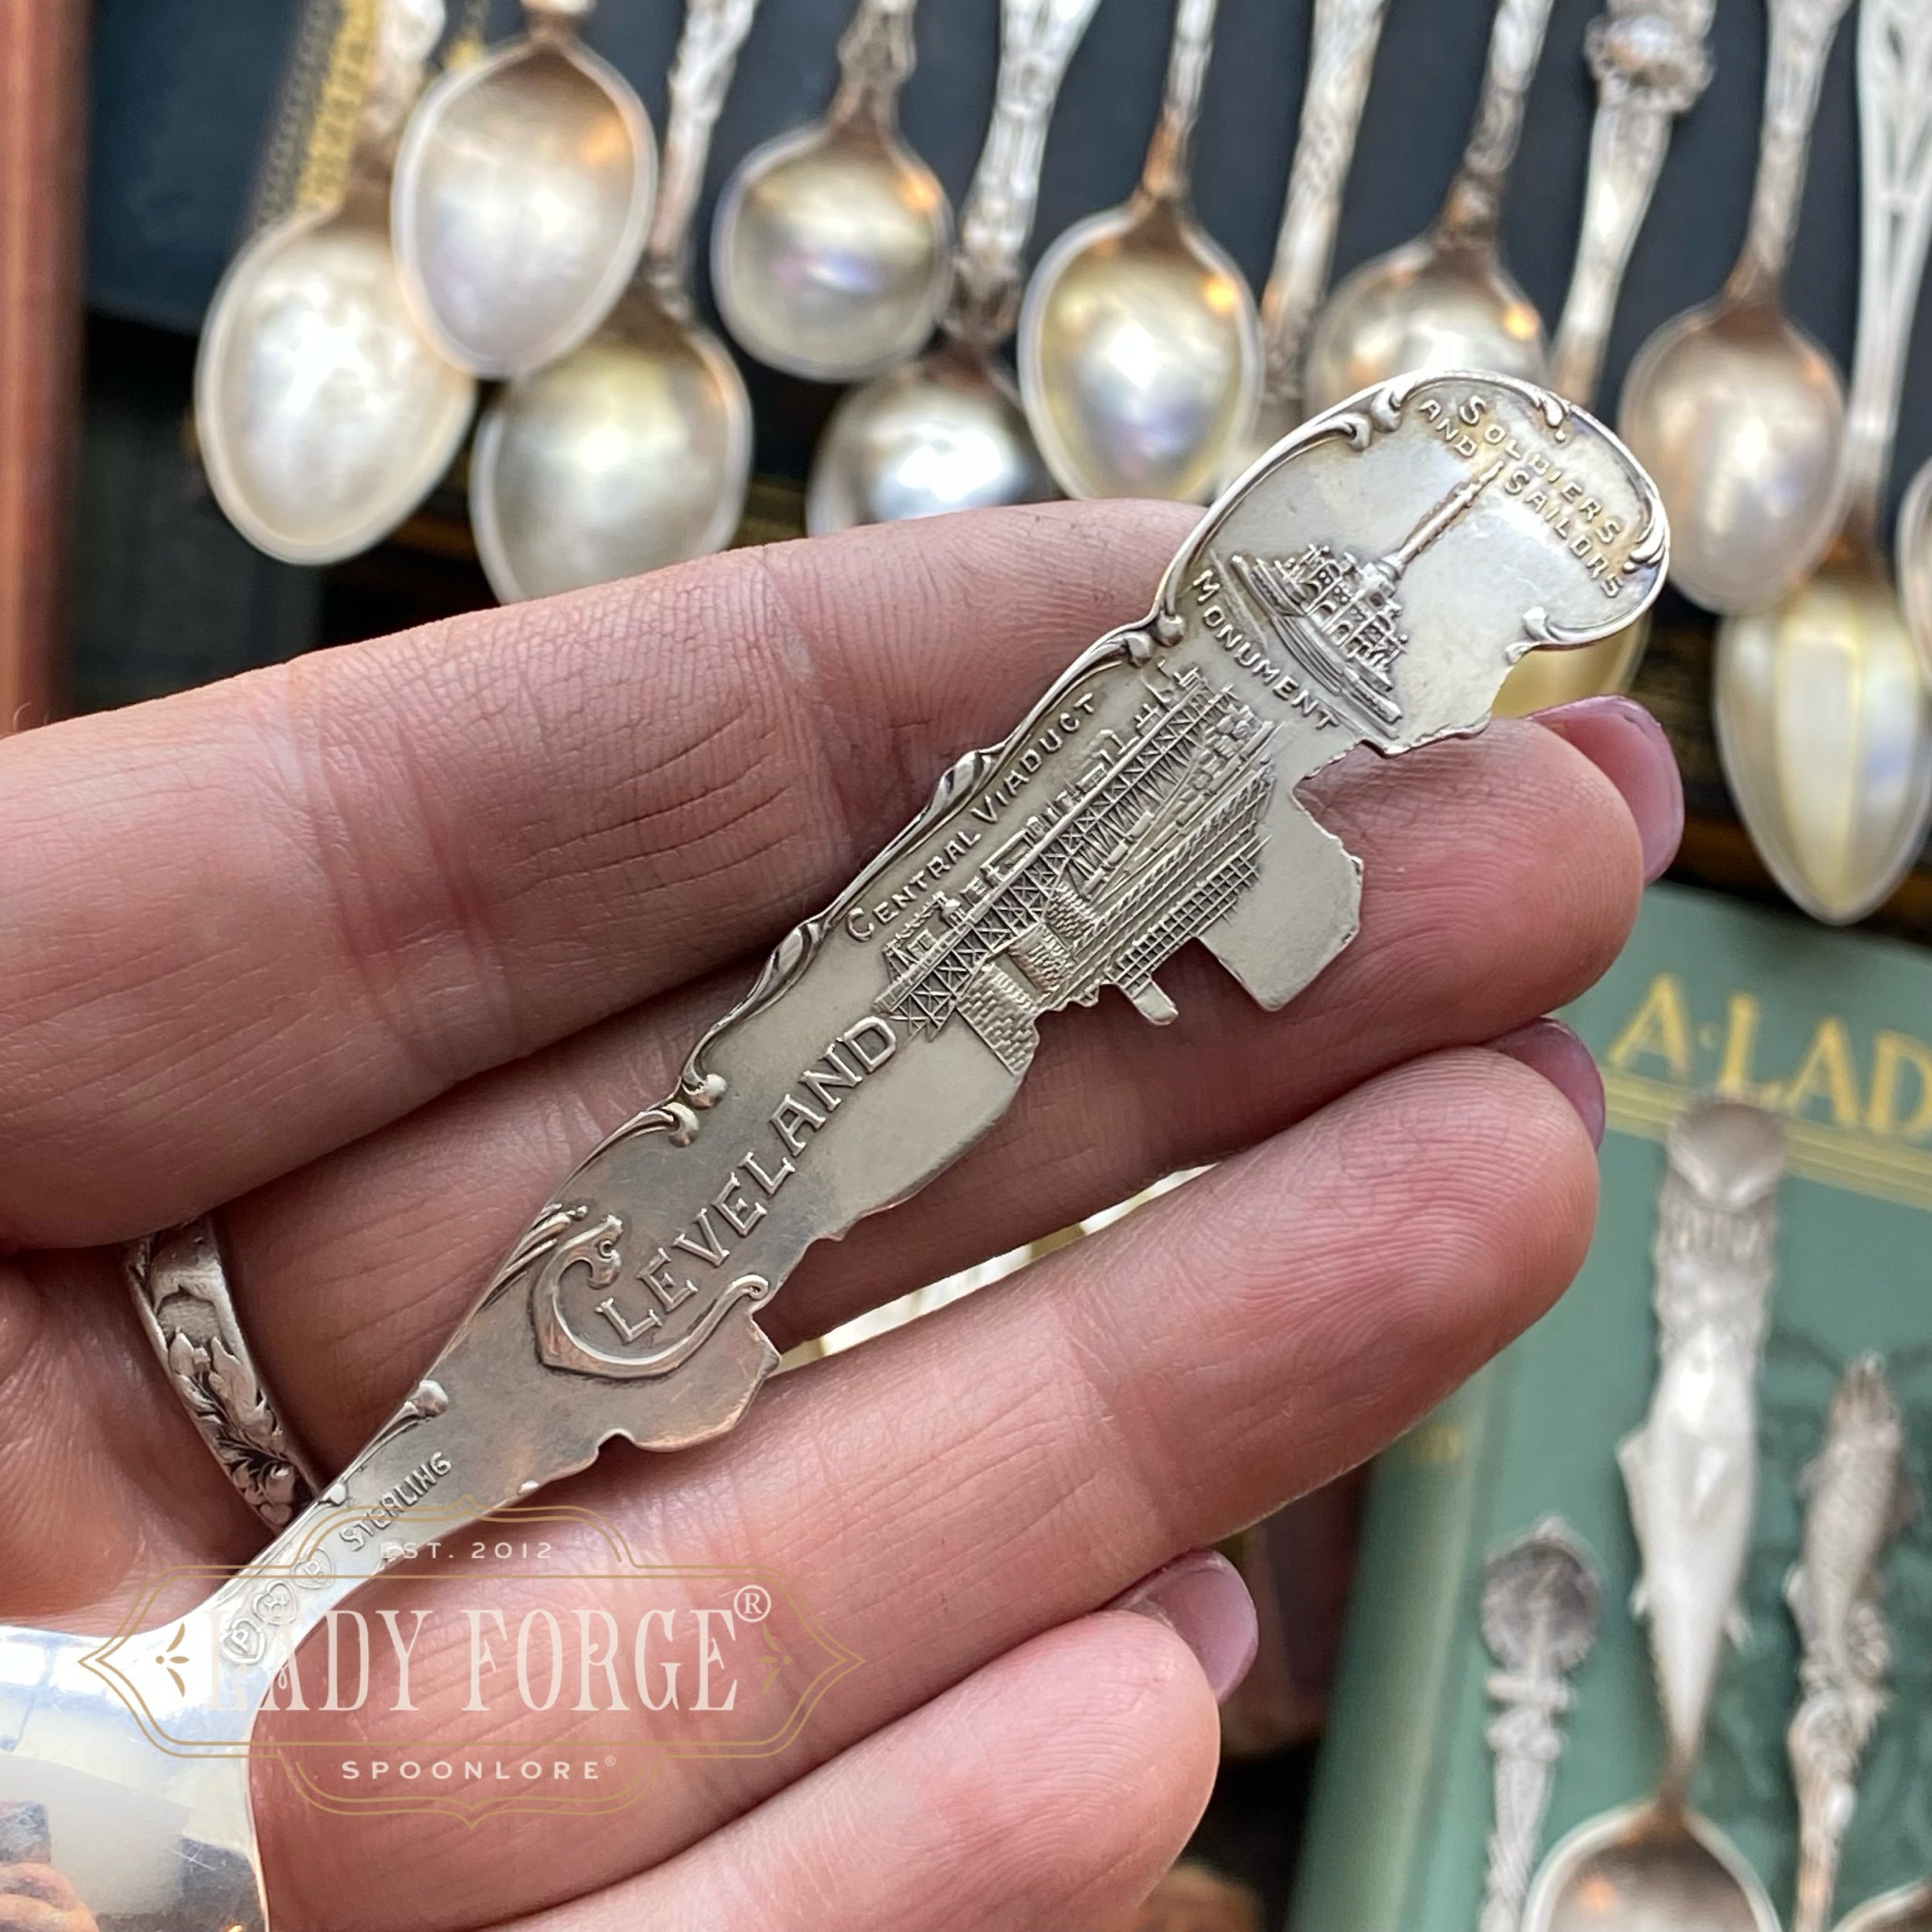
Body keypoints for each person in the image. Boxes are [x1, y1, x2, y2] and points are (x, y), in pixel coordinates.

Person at [0, 501, 1678, 1931]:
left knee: (687, 1243)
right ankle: (231, 1647)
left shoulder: (1256, 808)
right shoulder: (1169, 722)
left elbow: (1290, 929)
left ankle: (237, 1641)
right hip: (892, 1022)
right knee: (669, 1240)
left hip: (937, 1040)